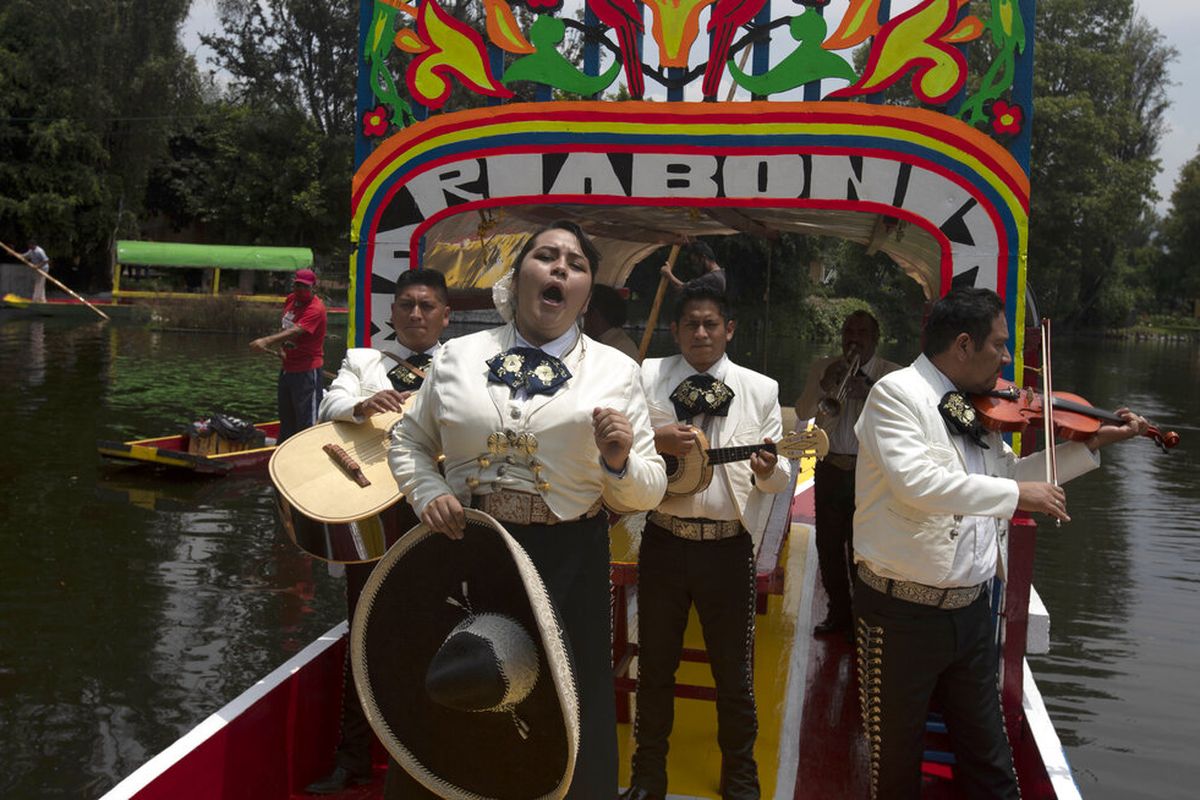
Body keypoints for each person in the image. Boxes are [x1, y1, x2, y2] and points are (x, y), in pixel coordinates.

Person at [389, 220, 667, 799]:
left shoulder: (619, 373)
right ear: (517, 280)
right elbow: (408, 442)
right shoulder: (457, 357)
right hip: (468, 550)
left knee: (562, 709)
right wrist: (428, 492)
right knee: (458, 693)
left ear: (586, 292)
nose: (561, 267)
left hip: (567, 561)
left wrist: (619, 462)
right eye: (546, 256)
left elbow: (647, 491)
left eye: (576, 263)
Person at [852, 287, 1149, 799]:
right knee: (895, 768)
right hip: (899, 615)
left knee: (991, 765)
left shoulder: (974, 408)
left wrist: (1094, 442)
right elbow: (917, 484)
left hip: (970, 613)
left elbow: (1011, 474)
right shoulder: (896, 395)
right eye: (1000, 345)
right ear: (964, 345)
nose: (1009, 360)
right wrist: (1016, 493)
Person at [624, 285, 791, 800]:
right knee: (654, 667)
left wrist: (769, 470)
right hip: (663, 541)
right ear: (676, 331)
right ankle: (648, 778)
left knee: (734, 671)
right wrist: (657, 441)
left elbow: (780, 470)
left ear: (729, 330)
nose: (701, 332)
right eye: (691, 324)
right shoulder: (647, 375)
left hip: (727, 546)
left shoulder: (760, 389)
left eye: (711, 324)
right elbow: (621, 442)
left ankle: (741, 778)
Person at [303, 268, 451, 795]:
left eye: (427, 306)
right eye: (406, 305)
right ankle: (353, 758)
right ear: (391, 314)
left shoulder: (463, 368)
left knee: (437, 635)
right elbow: (327, 405)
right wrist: (361, 406)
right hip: (371, 514)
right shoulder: (365, 361)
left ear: (444, 316)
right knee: (362, 633)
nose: (415, 314)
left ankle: (429, 757)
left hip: (438, 518)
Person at [793, 310, 900, 636]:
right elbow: (802, 412)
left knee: (864, 550)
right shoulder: (823, 367)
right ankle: (838, 613)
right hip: (829, 466)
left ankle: (863, 619)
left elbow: (902, 421)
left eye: (862, 332)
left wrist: (869, 392)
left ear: (875, 339)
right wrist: (825, 384)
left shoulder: (891, 375)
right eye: (848, 331)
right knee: (828, 546)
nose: (854, 338)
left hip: (870, 474)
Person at [250, 268, 328, 443]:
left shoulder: (316, 308)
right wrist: (282, 348)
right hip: (288, 368)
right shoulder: (291, 300)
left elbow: (296, 330)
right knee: (287, 418)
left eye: (305, 287)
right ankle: (282, 451)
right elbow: (287, 326)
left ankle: (307, 454)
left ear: (313, 288)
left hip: (307, 370)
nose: (300, 290)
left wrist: (266, 340)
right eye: (298, 286)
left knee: (307, 421)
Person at [583, 283, 640, 361]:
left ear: (595, 315)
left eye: (584, 315)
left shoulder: (616, 349)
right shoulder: (622, 343)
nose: (583, 323)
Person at [661, 240, 727, 294]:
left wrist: (668, 274)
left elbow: (681, 288)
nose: (695, 267)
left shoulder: (713, 278)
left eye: (695, 262)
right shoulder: (722, 274)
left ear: (703, 258)